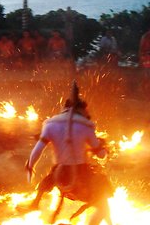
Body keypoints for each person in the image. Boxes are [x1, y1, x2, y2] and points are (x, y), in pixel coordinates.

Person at [24, 82, 113, 225]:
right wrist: (102, 149)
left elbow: (37, 151)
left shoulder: (50, 125)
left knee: (49, 178)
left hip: (59, 176)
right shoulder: (85, 126)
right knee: (103, 197)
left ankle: (36, 202)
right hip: (81, 176)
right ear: (81, 110)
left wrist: (30, 166)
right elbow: (101, 155)